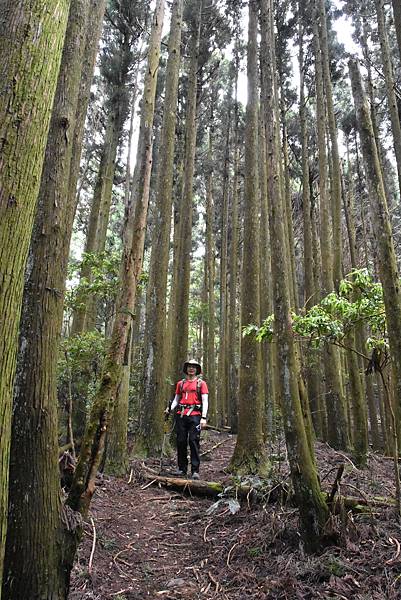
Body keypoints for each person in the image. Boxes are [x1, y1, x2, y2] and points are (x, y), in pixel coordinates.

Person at [165, 359, 208, 480]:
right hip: (181, 415)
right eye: (189, 366)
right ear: (186, 369)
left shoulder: (201, 384)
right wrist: (170, 409)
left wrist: (203, 417)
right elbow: (176, 399)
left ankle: (195, 470)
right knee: (181, 441)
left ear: (197, 370)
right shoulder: (181, 384)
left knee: (194, 441)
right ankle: (182, 468)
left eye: (194, 367)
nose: (191, 369)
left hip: (195, 415)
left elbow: (205, 401)